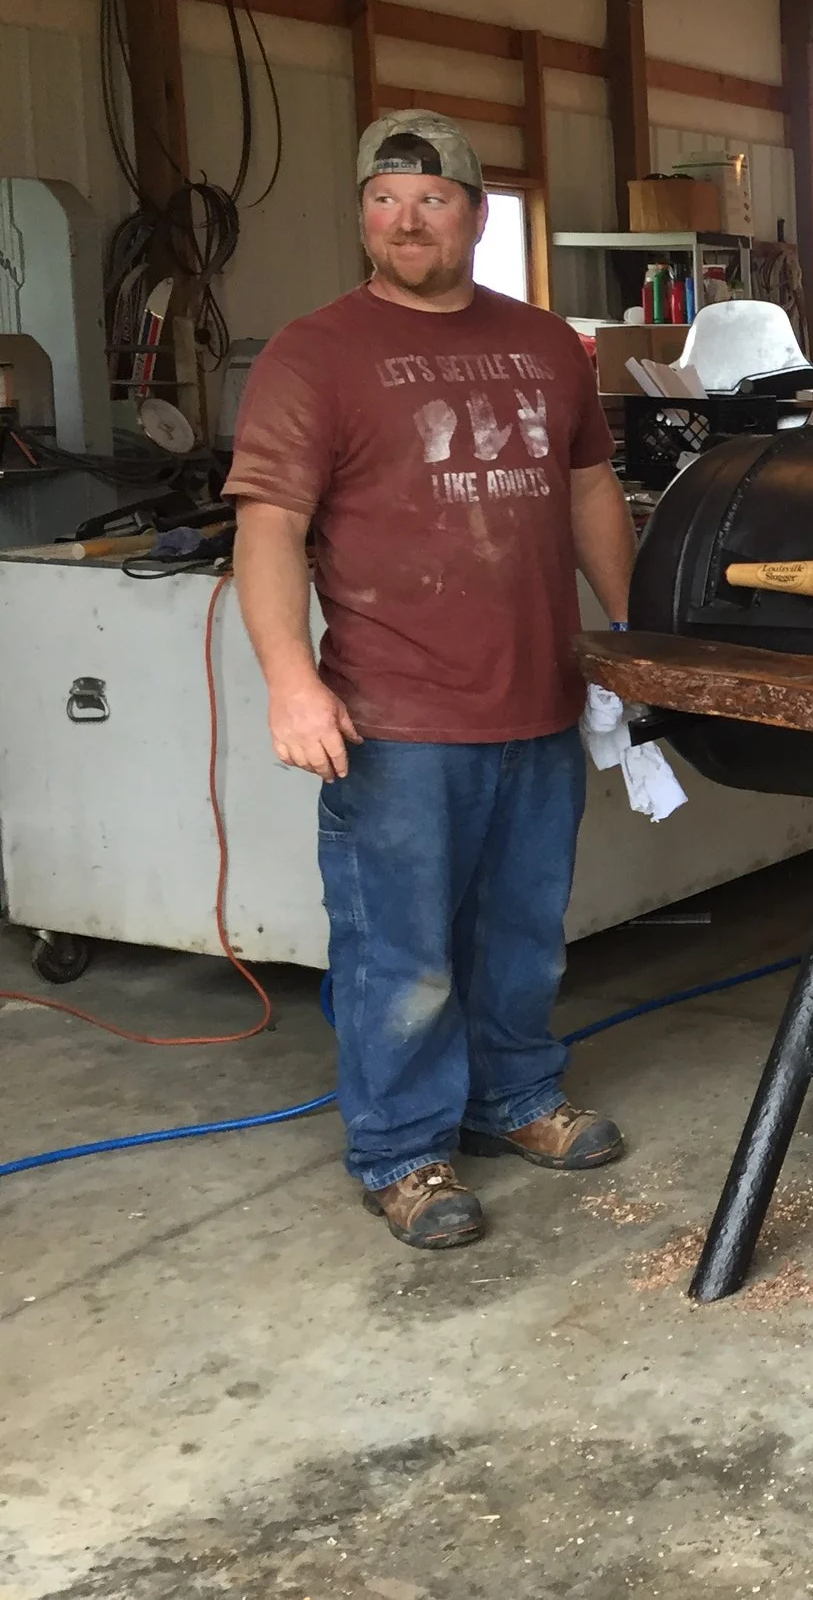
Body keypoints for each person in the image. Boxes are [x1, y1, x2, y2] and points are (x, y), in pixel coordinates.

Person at [226, 110, 639, 1251]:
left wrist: (634, 630)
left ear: (477, 214)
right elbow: (270, 526)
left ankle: (516, 1095)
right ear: (363, 213)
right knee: (399, 954)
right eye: (383, 199)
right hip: (396, 717)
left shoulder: (546, 345)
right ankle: (403, 1150)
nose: (405, 221)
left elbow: (589, 489)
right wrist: (291, 680)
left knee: (525, 933)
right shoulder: (314, 353)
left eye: (431, 198)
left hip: (539, 701)